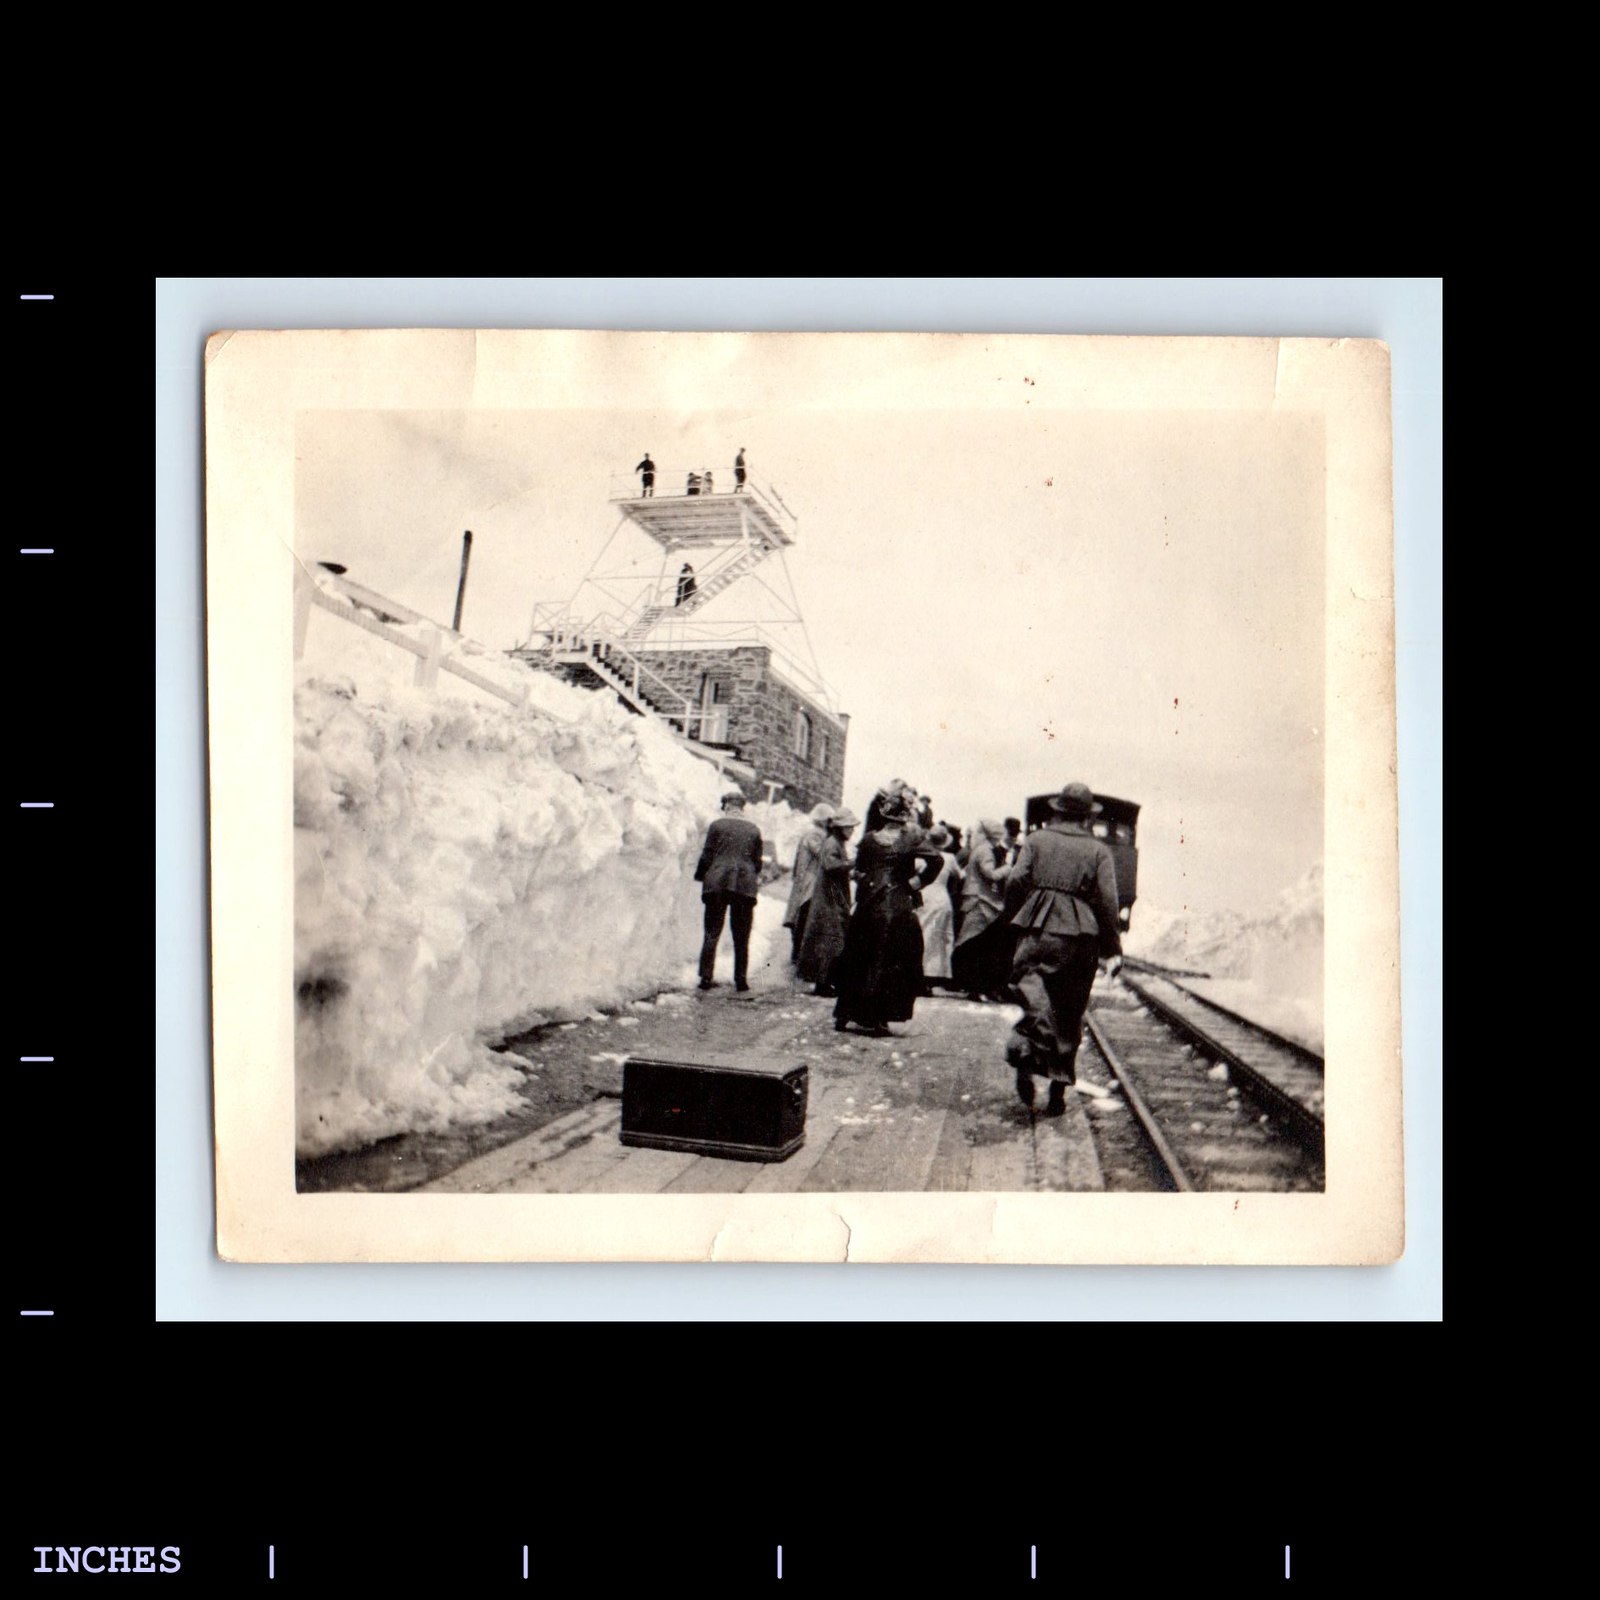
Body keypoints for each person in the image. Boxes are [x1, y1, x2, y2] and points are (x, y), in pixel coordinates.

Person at [1002, 782, 1123, 1115]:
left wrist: (1014, 916)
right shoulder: (1099, 851)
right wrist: (1112, 946)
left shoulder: (1036, 840)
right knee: (1070, 1012)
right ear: (1086, 817)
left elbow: (1015, 880)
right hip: (1079, 937)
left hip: (1036, 928)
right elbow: (1108, 902)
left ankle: (1026, 1055)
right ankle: (1058, 1089)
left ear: (1058, 810)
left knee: (1033, 996)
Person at [830, 790, 942, 1035]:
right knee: (893, 958)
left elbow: (859, 870)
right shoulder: (910, 838)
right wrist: (917, 882)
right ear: (903, 819)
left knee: (859, 956)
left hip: (870, 904)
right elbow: (936, 860)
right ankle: (879, 1015)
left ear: (884, 816)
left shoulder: (870, 839)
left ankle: (846, 1012)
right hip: (898, 904)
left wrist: (867, 881)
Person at [694, 789, 763, 992]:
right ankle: (740, 980)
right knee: (742, 935)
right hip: (744, 886)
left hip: (717, 884)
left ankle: (706, 977)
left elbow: (707, 855)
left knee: (712, 931)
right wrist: (748, 873)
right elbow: (757, 861)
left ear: (726, 805)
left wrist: (701, 874)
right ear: (742, 807)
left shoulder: (716, 826)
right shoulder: (754, 829)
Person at [951, 818, 1013, 1000]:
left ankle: (968, 983)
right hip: (981, 900)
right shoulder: (986, 850)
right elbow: (990, 874)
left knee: (970, 942)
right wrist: (1008, 868)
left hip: (975, 897)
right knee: (973, 942)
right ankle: (971, 984)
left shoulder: (979, 848)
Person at [797, 808, 857, 994]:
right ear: (840, 828)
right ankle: (822, 983)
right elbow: (831, 866)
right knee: (827, 941)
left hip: (831, 898)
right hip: (828, 900)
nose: (852, 831)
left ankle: (825, 981)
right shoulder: (832, 844)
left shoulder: (835, 842)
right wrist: (853, 863)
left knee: (828, 940)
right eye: (849, 828)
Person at [784, 802, 835, 963]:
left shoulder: (812, 833)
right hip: (810, 882)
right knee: (804, 918)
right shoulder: (816, 834)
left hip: (804, 880)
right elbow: (822, 856)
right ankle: (799, 954)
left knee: (800, 917)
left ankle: (797, 953)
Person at [915, 825, 961, 992]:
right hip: (941, 898)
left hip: (924, 895)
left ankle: (919, 974)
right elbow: (959, 875)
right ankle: (934, 976)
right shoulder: (949, 858)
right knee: (940, 938)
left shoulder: (921, 858)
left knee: (922, 934)